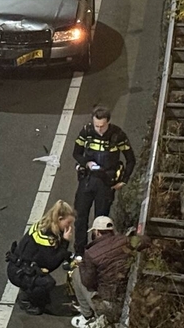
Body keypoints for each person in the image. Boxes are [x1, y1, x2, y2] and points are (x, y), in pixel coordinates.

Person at [72, 106, 136, 256]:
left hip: (106, 183)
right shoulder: (86, 132)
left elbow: (131, 160)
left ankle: (96, 253)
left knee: (100, 221)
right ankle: (79, 253)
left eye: (102, 126)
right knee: (80, 218)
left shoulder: (117, 135)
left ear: (108, 122)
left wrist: (124, 180)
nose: (99, 129)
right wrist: (86, 163)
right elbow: (76, 153)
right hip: (87, 180)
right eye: (97, 126)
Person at [6, 200, 76, 315]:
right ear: (59, 219)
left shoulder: (45, 224)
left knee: (43, 284)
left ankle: (30, 289)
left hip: (20, 266)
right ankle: (26, 299)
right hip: (18, 272)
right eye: (67, 224)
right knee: (48, 283)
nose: (69, 227)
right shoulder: (46, 237)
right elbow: (52, 263)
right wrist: (65, 242)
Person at [70, 216, 130, 328]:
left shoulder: (92, 253)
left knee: (77, 274)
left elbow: (88, 282)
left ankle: (87, 316)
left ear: (97, 232)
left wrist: (82, 264)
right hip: (126, 296)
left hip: (107, 303)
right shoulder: (125, 240)